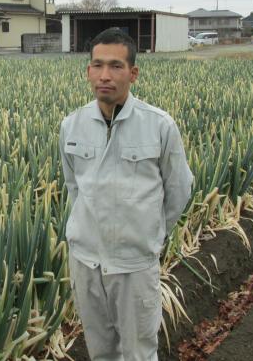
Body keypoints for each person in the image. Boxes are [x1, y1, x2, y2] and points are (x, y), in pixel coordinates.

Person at [59, 28, 193, 361]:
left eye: (116, 66)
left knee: (139, 353)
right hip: (86, 261)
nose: (105, 75)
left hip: (134, 264)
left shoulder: (159, 125)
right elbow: (73, 187)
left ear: (133, 73)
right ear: (88, 70)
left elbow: (179, 190)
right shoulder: (71, 126)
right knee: (100, 351)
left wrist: (149, 234)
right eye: (98, 65)